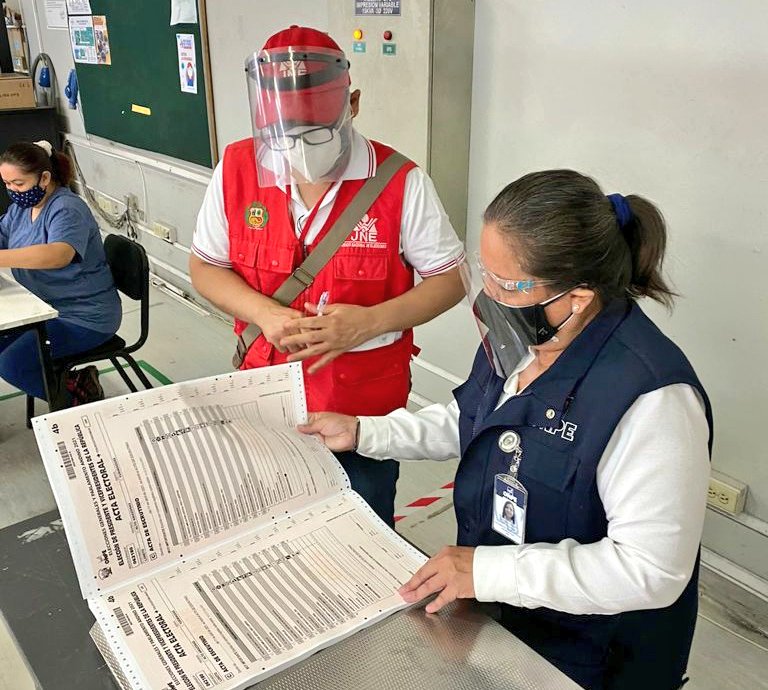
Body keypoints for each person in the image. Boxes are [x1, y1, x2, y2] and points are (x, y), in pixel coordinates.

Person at [299, 169, 712, 690]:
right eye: (484, 272)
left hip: (590, 659)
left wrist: (488, 572)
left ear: (578, 298)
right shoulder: (526, 336)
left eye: (505, 284)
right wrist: (364, 433)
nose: (487, 294)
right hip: (501, 624)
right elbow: (472, 418)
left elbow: (651, 571)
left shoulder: (652, 399)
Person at [189, 26, 465, 527]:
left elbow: (450, 280)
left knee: (362, 525)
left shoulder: (400, 182)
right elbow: (206, 266)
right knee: (270, 523)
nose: (296, 149)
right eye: (281, 133)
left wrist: (368, 322)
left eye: (315, 132)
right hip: (265, 394)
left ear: (351, 104)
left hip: (363, 408)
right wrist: (264, 313)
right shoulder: (236, 168)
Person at [0, 140, 121, 405]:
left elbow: (58, 254)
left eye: (18, 184)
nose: (12, 191)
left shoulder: (67, 208)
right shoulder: (20, 208)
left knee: (12, 364)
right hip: (42, 309)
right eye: (7, 184)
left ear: (44, 177)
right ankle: (68, 379)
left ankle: (78, 402)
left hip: (84, 316)